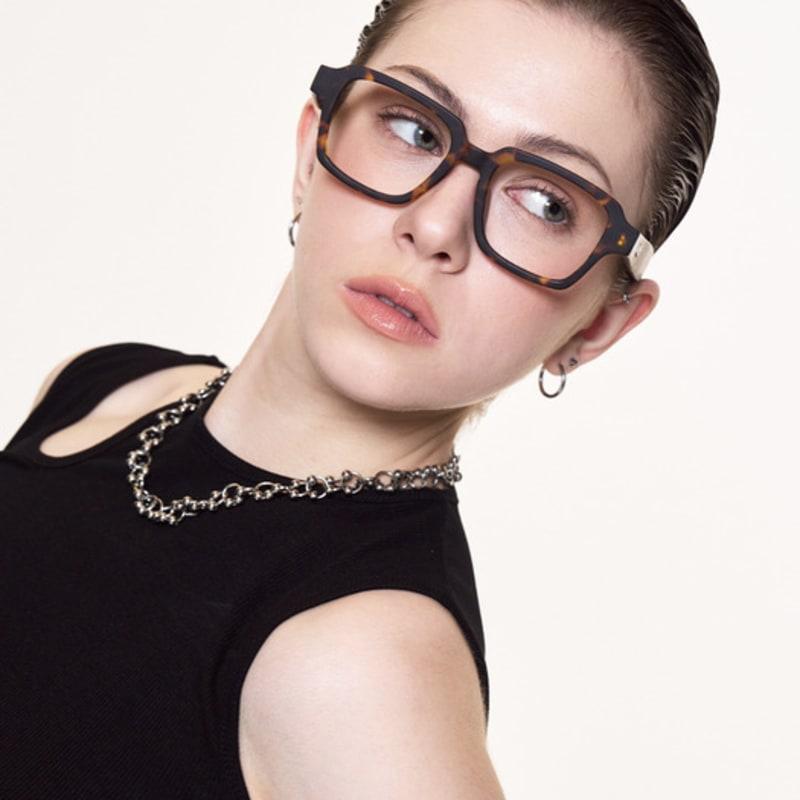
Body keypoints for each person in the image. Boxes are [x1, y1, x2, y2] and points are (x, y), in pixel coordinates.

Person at [1, 0, 719, 797]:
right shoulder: (102, 390)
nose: (435, 227)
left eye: (548, 202)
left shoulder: (366, 670)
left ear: (600, 324)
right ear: (313, 147)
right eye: (416, 128)